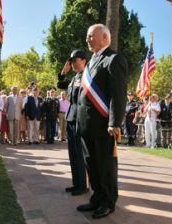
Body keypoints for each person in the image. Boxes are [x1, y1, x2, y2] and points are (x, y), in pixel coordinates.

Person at [76, 24, 127, 219]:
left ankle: (108, 201)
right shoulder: (92, 61)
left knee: (105, 165)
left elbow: (118, 94)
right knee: (92, 164)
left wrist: (114, 122)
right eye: (87, 36)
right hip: (87, 124)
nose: (88, 39)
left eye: (92, 36)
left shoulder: (114, 59)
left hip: (104, 125)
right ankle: (97, 197)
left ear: (105, 38)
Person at [57, 49, 88, 196]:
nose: (73, 63)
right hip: (70, 117)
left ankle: (82, 185)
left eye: (75, 60)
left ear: (84, 61)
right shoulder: (75, 77)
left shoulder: (87, 76)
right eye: (71, 61)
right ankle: (76, 183)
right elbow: (60, 84)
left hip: (79, 119)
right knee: (72, 153)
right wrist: (64, 71)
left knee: (79, 154)